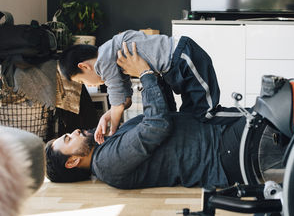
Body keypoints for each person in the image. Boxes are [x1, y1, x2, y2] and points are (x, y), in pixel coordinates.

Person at [46, 44, 251, 188]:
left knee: (277, 104)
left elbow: (166, 114)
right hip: (221, 151)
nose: (73, 132)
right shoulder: (107, 164)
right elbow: (156, 125)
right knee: (276, 112)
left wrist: (150, 72)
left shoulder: (106, 148)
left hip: (216, 131)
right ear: (72, 161)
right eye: (67, 139)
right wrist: (144, 74)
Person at [58, 30, 241, 144]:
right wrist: (106, 116)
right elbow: (125, 99)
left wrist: (112, 131)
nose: (88, 85)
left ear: (84, 66)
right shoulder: (111, 58)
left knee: (205, 113)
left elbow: (117, 103)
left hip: (184, 57)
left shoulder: (104, 60)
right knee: (190, 117)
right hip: (176, 67)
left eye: (83, 81)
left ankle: (250, 118)